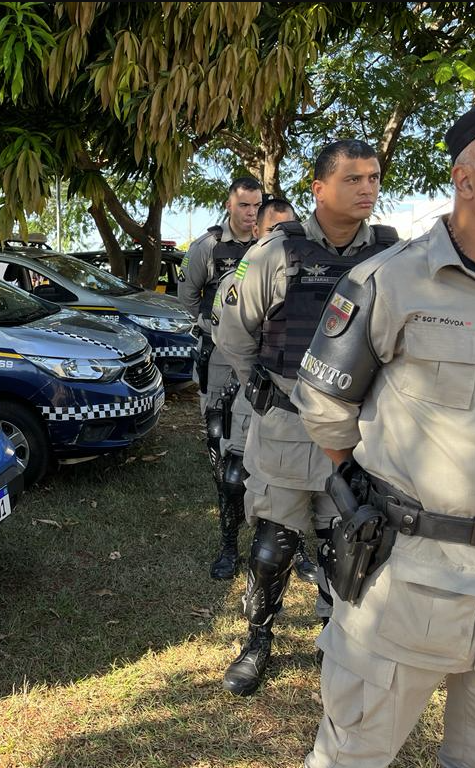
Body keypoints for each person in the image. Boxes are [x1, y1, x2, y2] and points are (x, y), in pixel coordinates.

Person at [294, 84, 475, 767]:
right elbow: (324, 409)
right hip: (408, 580)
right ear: (465, 177)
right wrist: (378, 498)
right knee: (354, 755)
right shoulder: (390, 283)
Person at [215, 140, 398, 696]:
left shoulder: (393, 256)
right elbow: (232, 328)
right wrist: (256, 384)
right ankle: (258, 640)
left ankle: (335, 638)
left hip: (365, 430)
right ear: (319, 189)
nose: (367, 188)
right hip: (288, 425)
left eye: (373, 178)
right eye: (353, 179)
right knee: (274, 543)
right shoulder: (275, 253)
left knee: (350, 541)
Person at [208, 197, 320, 582]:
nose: (282, 240)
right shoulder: (238, 279)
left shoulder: (308, 275)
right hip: (252, 390)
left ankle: (298, 547)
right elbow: (232, 338)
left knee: (303, 478)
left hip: (302, 400)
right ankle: (228, 544)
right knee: (235, 475)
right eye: (274, 230)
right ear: (257, 231)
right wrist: (256, 380)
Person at [179, 178, 261, 578]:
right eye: (244, 206)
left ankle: (283, 540)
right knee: (223, 451)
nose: (251, 214)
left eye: (256, 206)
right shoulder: (209, 247)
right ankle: (228, 542)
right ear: (230, 205)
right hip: (220, 361)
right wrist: (212, 327)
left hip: (264, 363)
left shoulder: (272, 244)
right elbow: (188, 296)